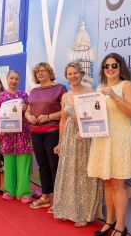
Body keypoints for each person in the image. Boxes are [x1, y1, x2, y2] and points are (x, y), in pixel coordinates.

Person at [88, 53, 131, 236]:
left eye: (114, 65)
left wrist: (114, 96)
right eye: (106, 66)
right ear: (103, 69)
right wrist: (85, 129)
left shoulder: (126, 86)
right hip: (103, 139)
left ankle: (120, 226)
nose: (110, 69)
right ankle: (109, 222)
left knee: (118, 184)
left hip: (121, 138)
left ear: (121, 68)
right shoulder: (100, 87)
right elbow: (94, 115)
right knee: (107, 183)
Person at [52, 62, 103, 227]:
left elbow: (97, 118)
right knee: (69, 173)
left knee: (83, 175)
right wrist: (60, 142)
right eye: (69, 74)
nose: (72, 76)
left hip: (85, 139)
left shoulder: (91, 92)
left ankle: (83, 213)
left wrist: (86, 132)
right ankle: (68, 210)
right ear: (66, 77)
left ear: (81, 74)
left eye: (75, 73)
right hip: (68, 138)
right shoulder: (65, 96)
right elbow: (62, 120)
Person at [25, 62, 67, 211]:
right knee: (42, 166)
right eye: (37, 72)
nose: (40, 73)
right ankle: (45, 197)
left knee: (54, 166)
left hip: (53, 132)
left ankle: (58, 201)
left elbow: (65, 111)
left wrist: (48, 116)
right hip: (36, 133)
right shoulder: (34, 91)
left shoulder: (60, 88)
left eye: (43, 71)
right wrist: (29, 117)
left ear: (50, 72)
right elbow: (28, 110)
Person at [0, 70, 33, 203]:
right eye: (11, 78)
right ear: (7, 79)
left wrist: (25, 108)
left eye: (16, 79)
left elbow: (29, 112)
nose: (14, 81)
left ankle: (24, 192)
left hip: (23, 134)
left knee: (23, 163)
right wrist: (0, 130)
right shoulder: (0, 97)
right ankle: (9, 190)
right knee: (9, 163)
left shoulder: (24, 96)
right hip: (7, 135)